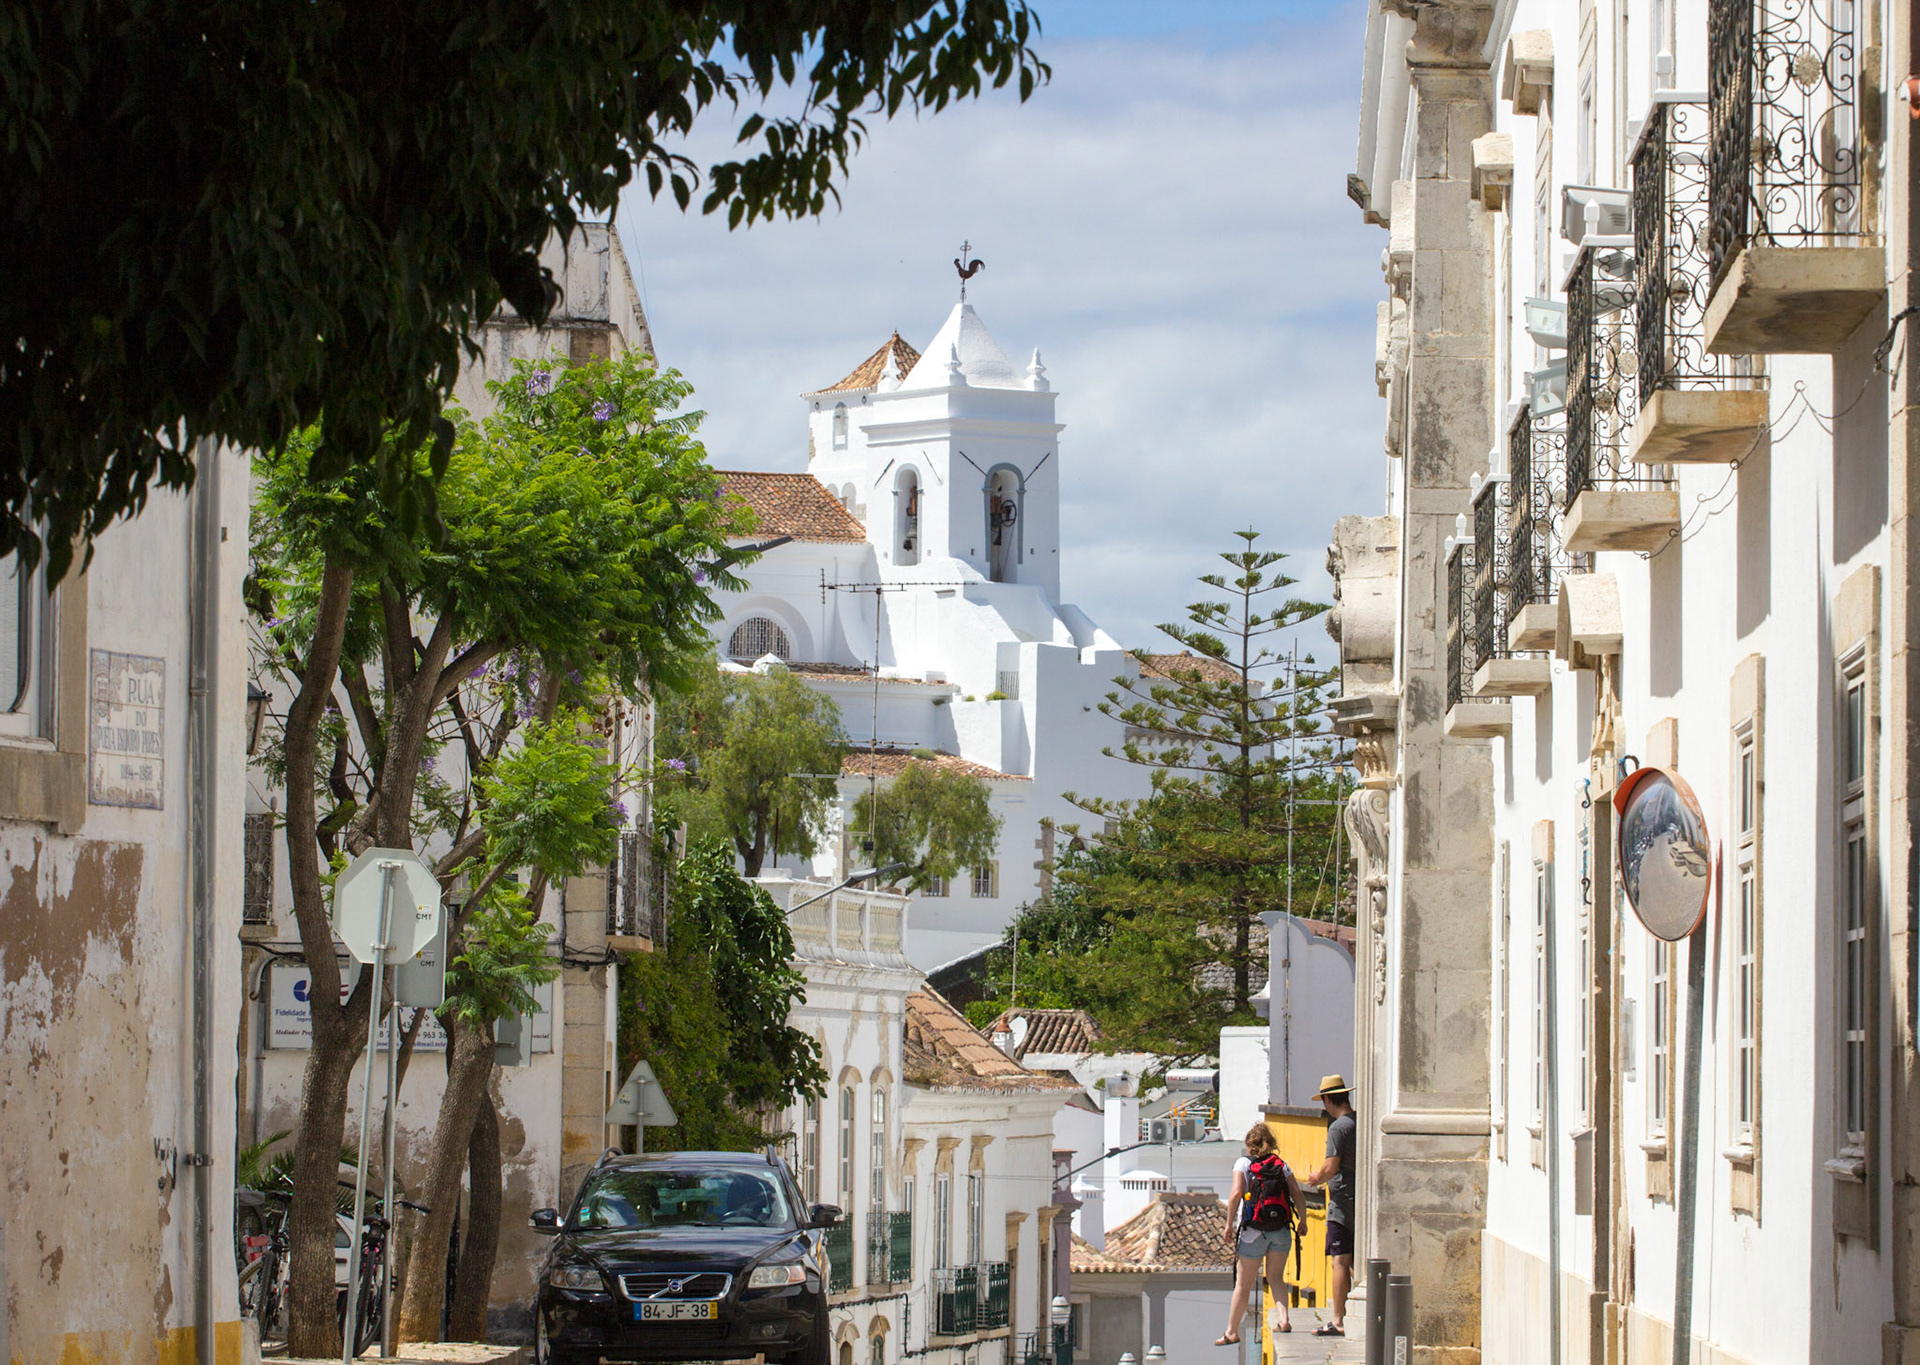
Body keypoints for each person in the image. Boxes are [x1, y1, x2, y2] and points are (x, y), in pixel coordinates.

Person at [1215, 1123, 1304, 1345]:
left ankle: (1231, 1331)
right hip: (1281, 1231)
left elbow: (1236, 1193)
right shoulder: (1282, 1166)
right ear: (1271, 1143)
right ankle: (1283, 1320)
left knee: (1243, 1284)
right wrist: (1302, 1220)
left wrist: (1228, 1224)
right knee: (1276, 1278)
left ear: (1249, 1144)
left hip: (1253, 1232)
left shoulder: (1243, 1163)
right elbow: (1297, 1194)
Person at [1300, 1075, 1357, 1338]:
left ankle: (1337, 1319)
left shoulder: (1337, 1128)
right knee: (1353, 1261)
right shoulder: (1357, 1122)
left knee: (1339, 1261)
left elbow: (1330, 1166)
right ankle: (1352, 1312)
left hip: (1341, 1203)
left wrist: (1315, 1178)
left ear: (1326, 1099)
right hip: (1358, 1200)